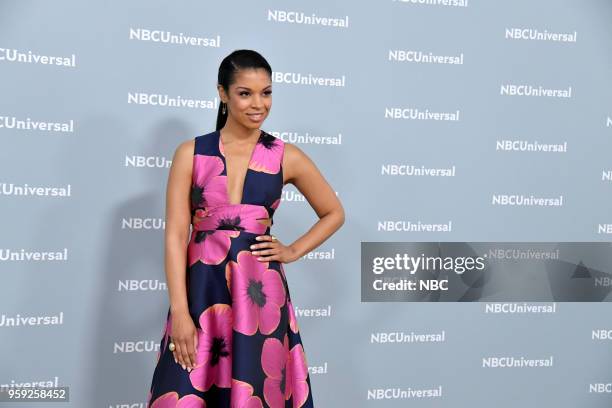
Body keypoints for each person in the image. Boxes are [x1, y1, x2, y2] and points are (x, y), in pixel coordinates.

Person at [146, 49, 345, 407]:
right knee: (183, 392)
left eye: (266, 92)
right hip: (202, 294)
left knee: (255, 389)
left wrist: (292, 250)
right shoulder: (190, 154)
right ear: (222, 93)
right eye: (245, 93)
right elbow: (176, 235)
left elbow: (333, 212)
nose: (258, 104)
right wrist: (180, 311)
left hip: (259, 295)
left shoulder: (286, 155)